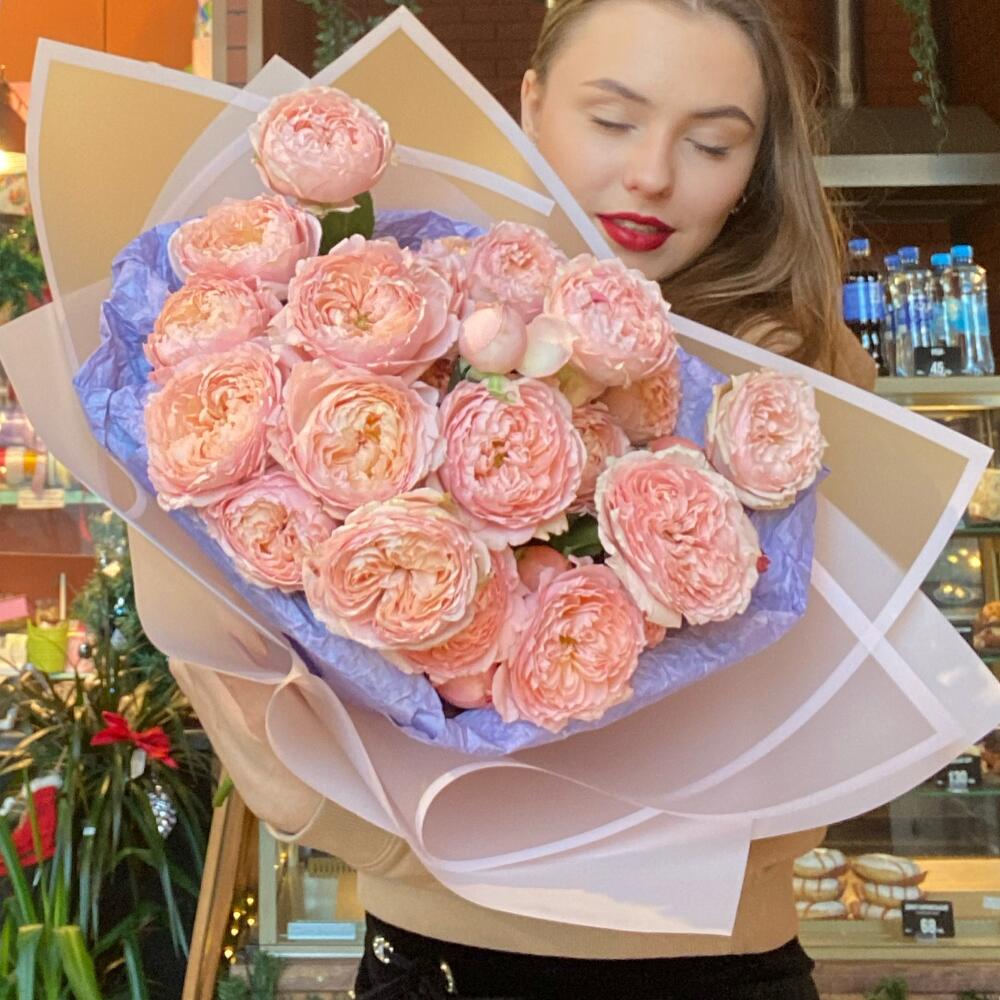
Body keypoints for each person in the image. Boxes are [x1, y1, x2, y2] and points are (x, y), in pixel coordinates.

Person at [171, 1, 877, 997]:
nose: (652, 173)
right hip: (439, 963)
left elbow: (816, 770)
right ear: (531, 102)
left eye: (712, 143)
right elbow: (262, 725)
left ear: (758, 165)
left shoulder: (795, 392)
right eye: (613, 119)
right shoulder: (406, 318)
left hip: (720, 972)